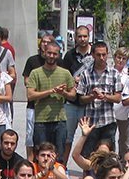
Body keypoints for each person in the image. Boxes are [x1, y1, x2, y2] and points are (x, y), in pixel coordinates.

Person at [27, 42, 76, 154]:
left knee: (59, 154)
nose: (51, 56)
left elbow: (73, 96)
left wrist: (63, 93)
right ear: (44, 53)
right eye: (49, 53)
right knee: (41, 154)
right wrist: (51, 91)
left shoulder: (65, 73)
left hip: (60, 121)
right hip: (41, 121)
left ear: (59, 55)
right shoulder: (35, 73)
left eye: (55, 54)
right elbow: (30, 95)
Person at [76, 41, 122, 157]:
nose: (101, 58)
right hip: (91, 121)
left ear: (107, 54)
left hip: (108, 121)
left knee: (107, 155)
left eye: (104, 54)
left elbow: (118, 98)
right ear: (93, 55)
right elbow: (81, 99)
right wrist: (92, 96)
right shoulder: (85, 74)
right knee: (88, 155)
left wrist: (105, 96)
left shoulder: (114, 74)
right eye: (98, 55)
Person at [59, 26, 93, 164]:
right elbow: (63, 75)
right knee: (67, 137)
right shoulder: (69, 55)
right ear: (75, 38)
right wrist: (73, 80)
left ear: (89, 37)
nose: (82, 39)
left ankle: (88, 168)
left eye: (85, 36)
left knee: (89, 137)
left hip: (89, 102)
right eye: (80, 36)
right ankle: (63, 167)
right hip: (72, 103)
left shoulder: (95, 54)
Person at [21, 33, 55, 158]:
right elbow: (27, 81)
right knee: (30, 136)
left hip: (51, 106)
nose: (45, 44)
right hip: (33, 105)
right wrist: (42, 89)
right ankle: (30, 161)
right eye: (43, 41)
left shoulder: (57, 62)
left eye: (48, 42)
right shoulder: (32, 60)